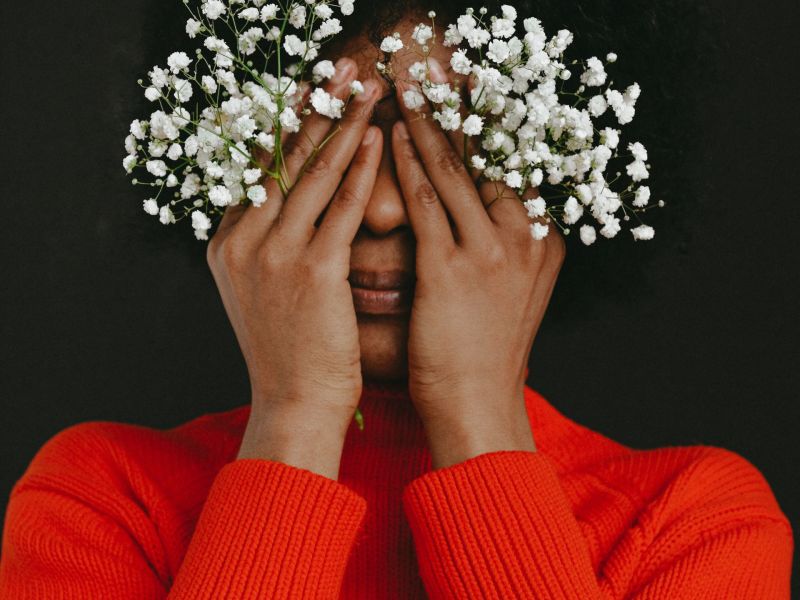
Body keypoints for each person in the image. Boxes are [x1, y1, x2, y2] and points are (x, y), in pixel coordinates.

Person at [0, 4, 793, 599]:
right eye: (330, 136)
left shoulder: (694, 525)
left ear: (559, 169)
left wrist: (477, 414)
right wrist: (298, 413)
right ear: (234, 164)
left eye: (443, 141)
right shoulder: (98, 502)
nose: (381, 209)